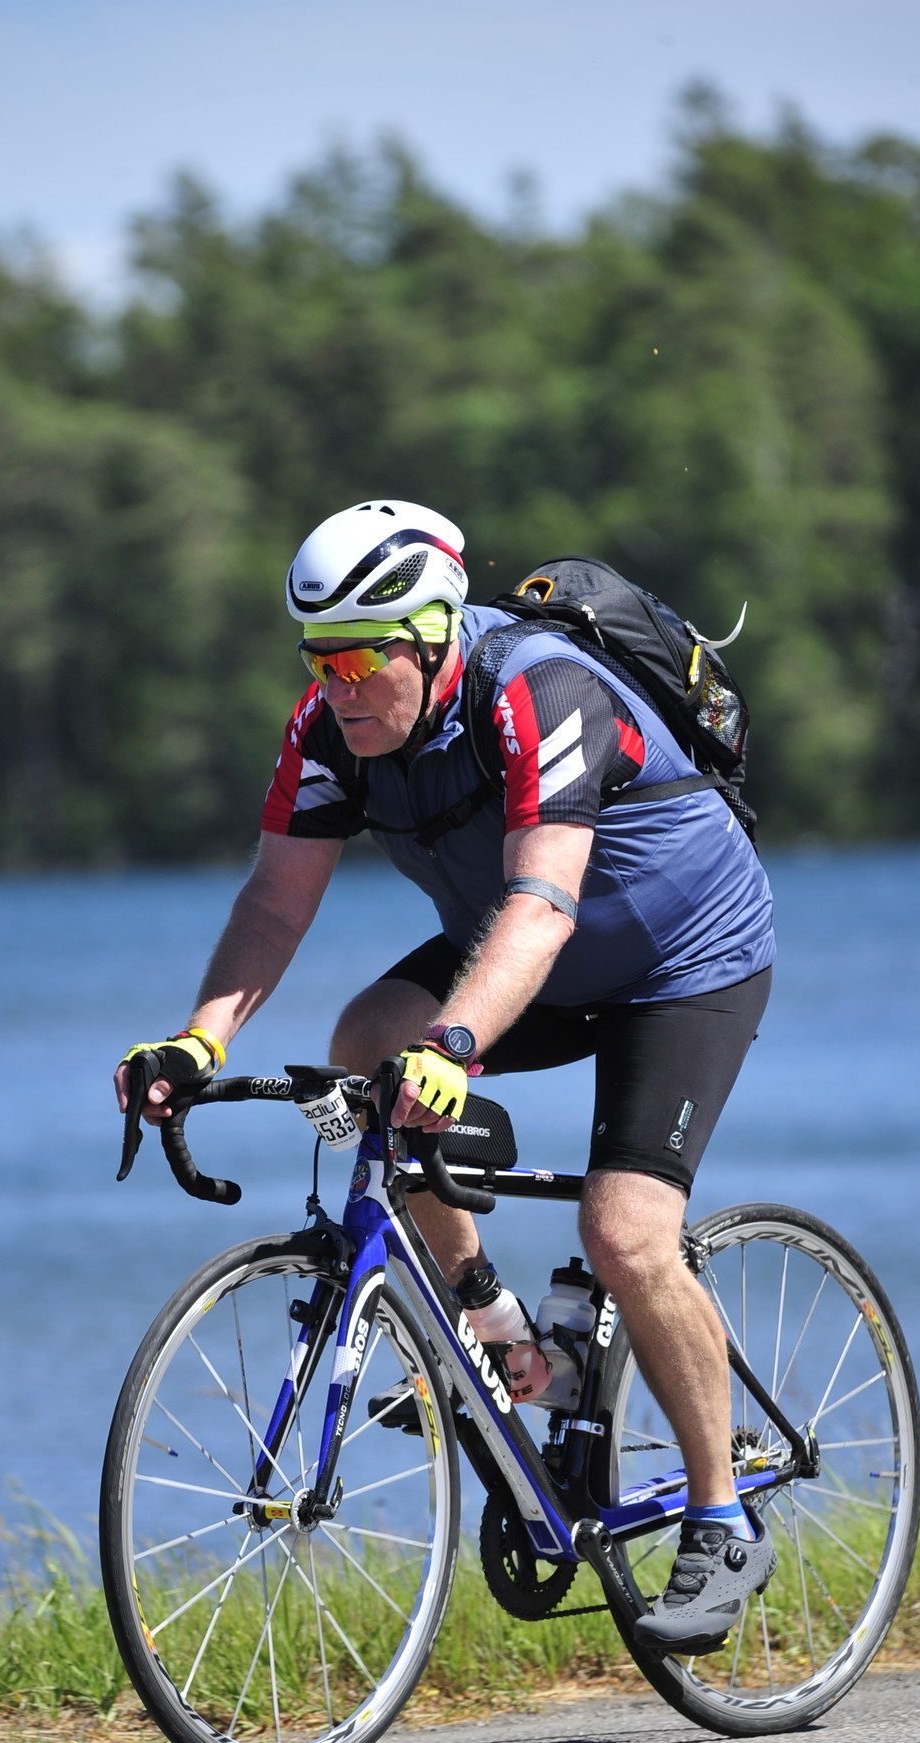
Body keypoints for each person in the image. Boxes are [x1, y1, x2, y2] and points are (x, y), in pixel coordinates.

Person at [115, 499, 778, 1652]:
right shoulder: (329, 730)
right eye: (318, 658)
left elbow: (542, 900)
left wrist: (456, 1044)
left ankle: (721, 1520)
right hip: (527, 958)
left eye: (359, 658)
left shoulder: (539, 688)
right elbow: (274, 900)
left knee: (626, 1231)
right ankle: (493, 1320)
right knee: (367, 1039)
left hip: (683, 961)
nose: (337, 685)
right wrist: (198, 1041)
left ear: (430, 639)